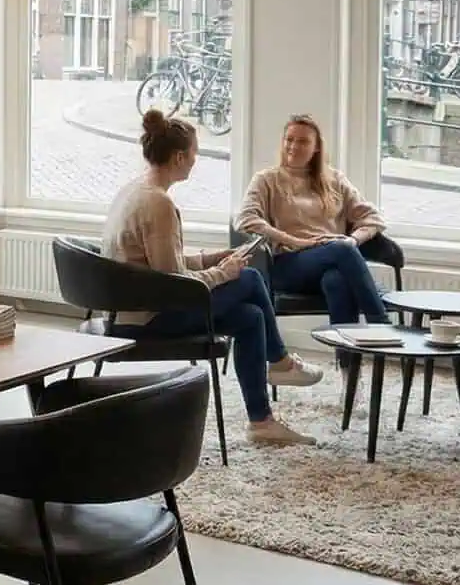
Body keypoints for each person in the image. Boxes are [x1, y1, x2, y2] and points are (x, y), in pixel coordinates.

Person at [102, 110, 323, 446]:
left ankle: (261, 422)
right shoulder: (158, 204)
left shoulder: (136, 189)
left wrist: (212, 258)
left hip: (134, 307)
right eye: (195, 152)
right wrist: (225, 272)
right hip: (147, 318)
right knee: (250, 279)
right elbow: (172, 282)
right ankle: (280, 362)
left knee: (251, 318)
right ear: (179, 157)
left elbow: (160, 263)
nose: (196, 159)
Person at [236, 115, 391, 327]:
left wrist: (354, 239)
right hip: (288, 264)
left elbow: (373, 218)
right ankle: (381, 324)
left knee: (336, 280)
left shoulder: (335, 180)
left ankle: (346, 347)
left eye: (303, 141)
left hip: (331, 258)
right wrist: (295, 241)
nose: (293, 146)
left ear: (316, 147)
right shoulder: (266, 179)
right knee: (342, 249)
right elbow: (245, 219)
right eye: (289, 139)